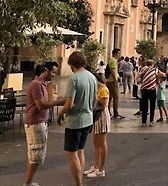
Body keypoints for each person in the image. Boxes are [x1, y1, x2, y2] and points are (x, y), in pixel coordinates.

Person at [57, 51, 97, 186]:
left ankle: (78, 183)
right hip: (88, 118)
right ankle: (79, 182)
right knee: (80, 150)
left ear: (72, 64)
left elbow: (69, 104)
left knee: (71, 154)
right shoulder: (92, 77)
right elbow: (95, 100)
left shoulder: (74, 79)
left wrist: (60, 113)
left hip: (75, 121)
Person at [23, 62, 65, 186]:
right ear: (45, 71)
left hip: (39, 122)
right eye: (52, 72)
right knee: (36, 155)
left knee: (34, 155)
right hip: (35, 123)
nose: (53, 75)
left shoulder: (42, 85)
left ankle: (28, 182)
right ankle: (27, 183)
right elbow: (40, 105)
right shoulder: (36, 85)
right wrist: (58, 103)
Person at [84, 73, 110, 178]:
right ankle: (96, 165)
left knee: (102, 144)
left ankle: (101, 169)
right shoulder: (98, 89)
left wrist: (95, 99)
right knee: (96, 143)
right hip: (96, 117)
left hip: (101, 116)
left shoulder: (103, 89)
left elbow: (103, 106)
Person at [137, 59, 165, 126]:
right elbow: (163, 75)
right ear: (153, 64)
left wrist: (142, 81)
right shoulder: (155, 70)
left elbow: (138, 77)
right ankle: (151, 121)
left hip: (144, 89)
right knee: (152, 105)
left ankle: (144, 122)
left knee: (144, 106)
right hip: (152, 89)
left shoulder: (143, 69)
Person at [105, 48, 124, 119]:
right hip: (112, 81)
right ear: (115, 54)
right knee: (116, 97)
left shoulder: (112, 60)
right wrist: (116, 79)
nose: (119, 55)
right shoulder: (113, 61)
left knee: (110, 98)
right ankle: (115, 113)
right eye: (118, 53)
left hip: (109, 81)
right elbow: (113, 71)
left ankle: (108, 112)